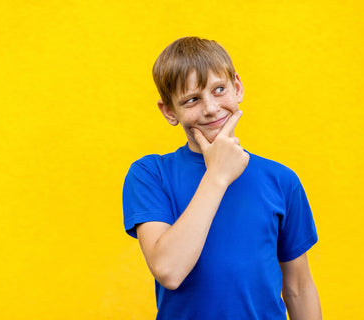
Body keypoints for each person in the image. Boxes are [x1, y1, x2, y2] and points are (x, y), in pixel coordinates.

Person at [122, 36, 322, 320]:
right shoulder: (150, 174)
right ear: (169, 111)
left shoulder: (281, 180)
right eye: (192, 99)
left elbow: (299, 287)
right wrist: (216, 175)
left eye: (219, 90)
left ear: (237, 87)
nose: (211, 108)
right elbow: (169, 270)